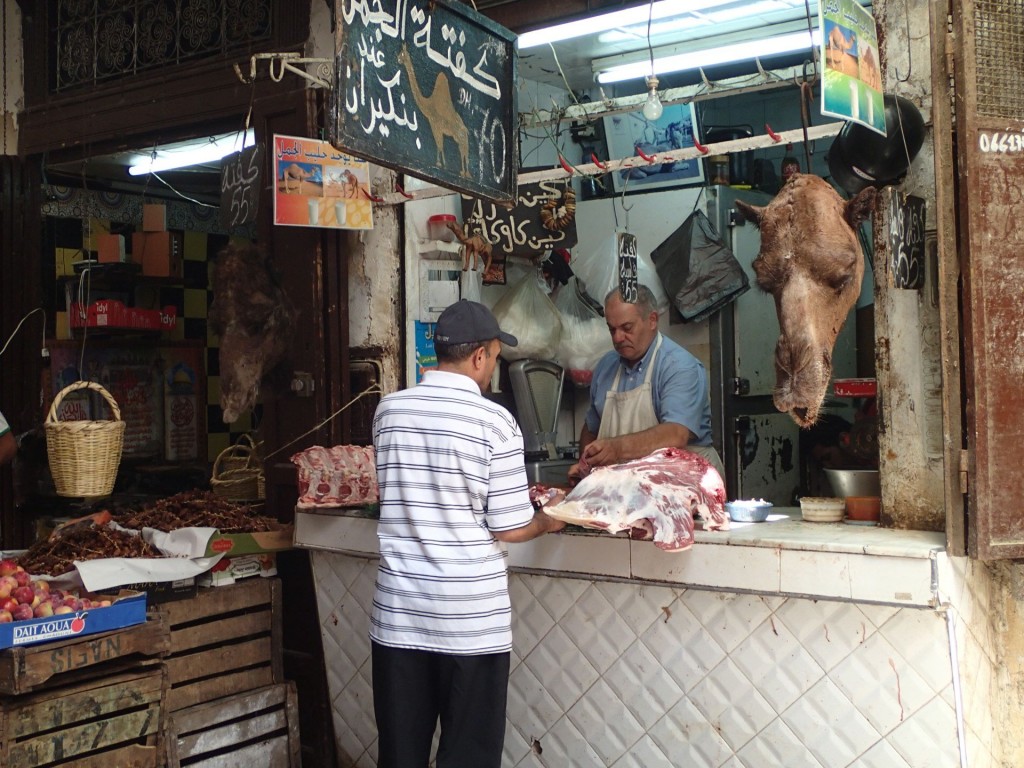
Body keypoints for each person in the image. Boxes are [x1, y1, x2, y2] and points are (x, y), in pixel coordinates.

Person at [369, 299, 566, 768]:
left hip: (399, 619)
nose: (493, 369)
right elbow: (511, 526)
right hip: (470, 626)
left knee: (400, 755)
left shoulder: (387, 412)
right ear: (479, 356)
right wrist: (551, 518)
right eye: (495, 357)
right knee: (468, 757)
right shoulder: (494, 423)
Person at [569, 285, 724, 481]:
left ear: (652, 320)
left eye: (627, 328)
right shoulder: (606, 367)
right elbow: (591, 429)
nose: (617, 338)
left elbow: (676, 433)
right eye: (612, 329)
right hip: (630, 484)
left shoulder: (678, 365)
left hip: (687, 480)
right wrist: (587, 467)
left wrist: (616, 448)